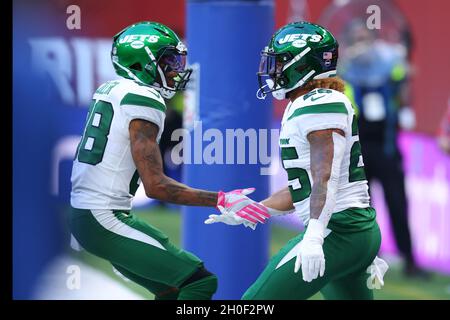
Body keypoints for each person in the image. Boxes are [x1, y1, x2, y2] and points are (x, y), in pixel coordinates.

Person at [69, 21, 263, 300]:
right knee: (199, 282)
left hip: (90, 213)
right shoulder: (144, 98)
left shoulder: (112, 88)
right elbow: (156, 186)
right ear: (141, 63)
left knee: (171, 289)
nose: (176, 69)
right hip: (102, 217)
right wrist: (223, 199)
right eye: (169, 61)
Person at [206, 21, 388, 300]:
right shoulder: (308, 102)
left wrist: (314, 237)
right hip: (351, 230)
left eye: (280, 62)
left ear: (302, 64)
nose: (273, 70)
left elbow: (325, 178)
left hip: (338, 230)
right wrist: (258, 209)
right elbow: (306, 186)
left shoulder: (318, 103)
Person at [339, 21, 429, 278]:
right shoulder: (344, 73)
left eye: (365, 38)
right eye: (356, 39)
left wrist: (405, 73)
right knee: (361, 210)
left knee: (399, 205)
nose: (361, 44)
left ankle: (410, 261)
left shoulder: (390, 67)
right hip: (358, 152)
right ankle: (365, 260)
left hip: (388, 150)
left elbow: (405, 85)